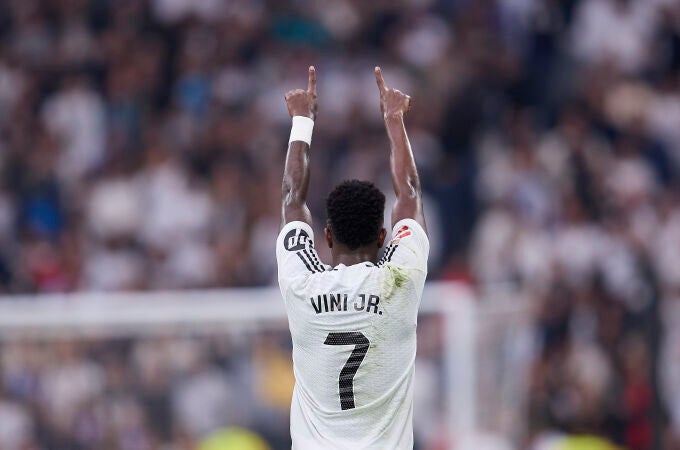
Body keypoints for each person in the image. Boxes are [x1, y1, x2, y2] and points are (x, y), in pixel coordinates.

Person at [276, 65, 429, 449]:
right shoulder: (400, 280)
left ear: (326, 236)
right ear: (382, 237)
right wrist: (394, 118)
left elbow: (292, 202)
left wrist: (302, 121)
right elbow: (408, 196)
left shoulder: (302, 284)